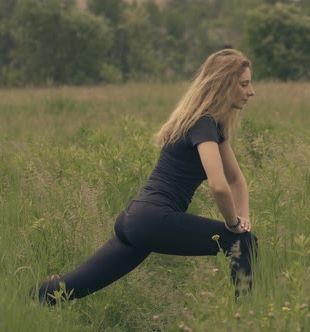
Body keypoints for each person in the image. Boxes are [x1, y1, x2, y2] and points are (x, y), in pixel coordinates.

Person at [35, 48, 258, 305]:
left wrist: (244, 220)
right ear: (223, 85)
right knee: (243, 243)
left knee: (69, 288)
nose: (251, 91)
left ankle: (27, 298)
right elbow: (219, 186)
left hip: (135, 219)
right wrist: (233, 226)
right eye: (244, 84)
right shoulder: (204, 124)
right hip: (153, 220)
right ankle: (247, 318)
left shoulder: (204, 123)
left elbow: (236, 181)